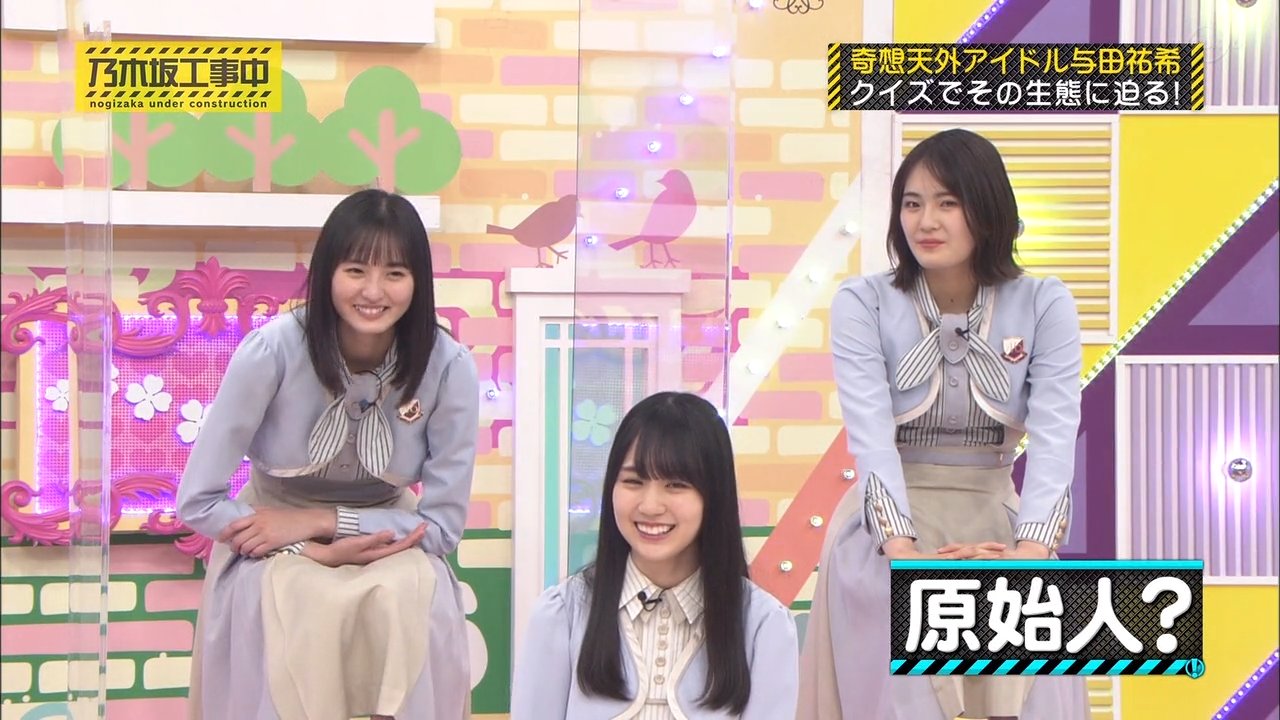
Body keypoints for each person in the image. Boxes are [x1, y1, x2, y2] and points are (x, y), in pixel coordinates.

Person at [798, 129, 1091, 719]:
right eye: (912, 203)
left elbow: (1057, 438)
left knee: (1031, 641)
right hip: (888, 530)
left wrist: (1030, 551)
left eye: (947, 202)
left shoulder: (1045, 303)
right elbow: (870, 438)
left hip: (1002, 528)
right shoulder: (862, 303)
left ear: (987, 208)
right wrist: (903, 553)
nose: (925, 221)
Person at [177, 188, 479, 720]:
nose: (373, 292)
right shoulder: (271, 351)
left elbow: (441, 529)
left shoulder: (450, 366)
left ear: (419, 282)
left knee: (414, 590)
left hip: (386, 536)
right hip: (273, 541)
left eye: (395, 273)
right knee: (297, 597)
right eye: (356, 270)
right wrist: (302, 546)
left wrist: (322, 522)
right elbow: (197, 502)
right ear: (327, 273)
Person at [511, 391, 800, 719]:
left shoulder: (763, 626)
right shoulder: (563, 615)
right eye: (633, 481)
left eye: (676, 485)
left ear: (714, 494)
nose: (650, 506)